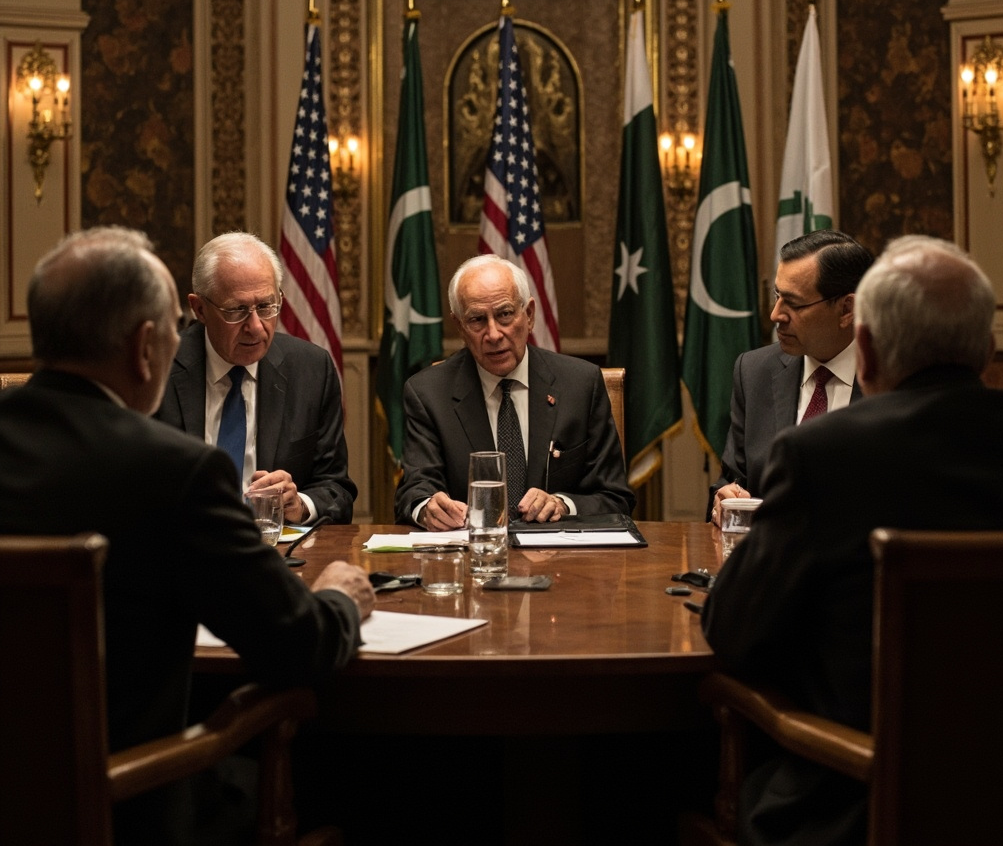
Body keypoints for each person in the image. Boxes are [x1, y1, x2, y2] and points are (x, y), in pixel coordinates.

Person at [0, 227, 374, 844]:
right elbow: (297, 648)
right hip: (128, 803)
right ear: (148, 345)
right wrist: (338, 596)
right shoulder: (172, 471)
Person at [701, 236, 1003, 846]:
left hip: (850, 800)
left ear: (866, 349)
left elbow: (733, 632)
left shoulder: (819, 456)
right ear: (987, 349)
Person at [395, 253, 634, 529]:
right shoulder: (428, 393)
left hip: (561, 563)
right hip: (471, 561)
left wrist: (562, 504)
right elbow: (414, 491)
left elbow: (615, 498)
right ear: (460, 326)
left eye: (505, 314)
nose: (494, 334)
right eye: (477, 320)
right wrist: (427, 509)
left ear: (529, 315)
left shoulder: (580, 384)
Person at [156, 232, 356, 524]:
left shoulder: (311, 369)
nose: (255, 327)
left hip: (277, 553)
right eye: (237, 310)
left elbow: (336, 488)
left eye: (266, 307)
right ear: (199, 308)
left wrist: (299, 504)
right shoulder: (158, 369)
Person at [708, 230, 874, 524]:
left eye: (794, 304)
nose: (775, 314)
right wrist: (725, 498)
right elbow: (732, 479)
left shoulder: (896, 377)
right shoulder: (754, 371)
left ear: (846, 309)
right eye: (777, 296)